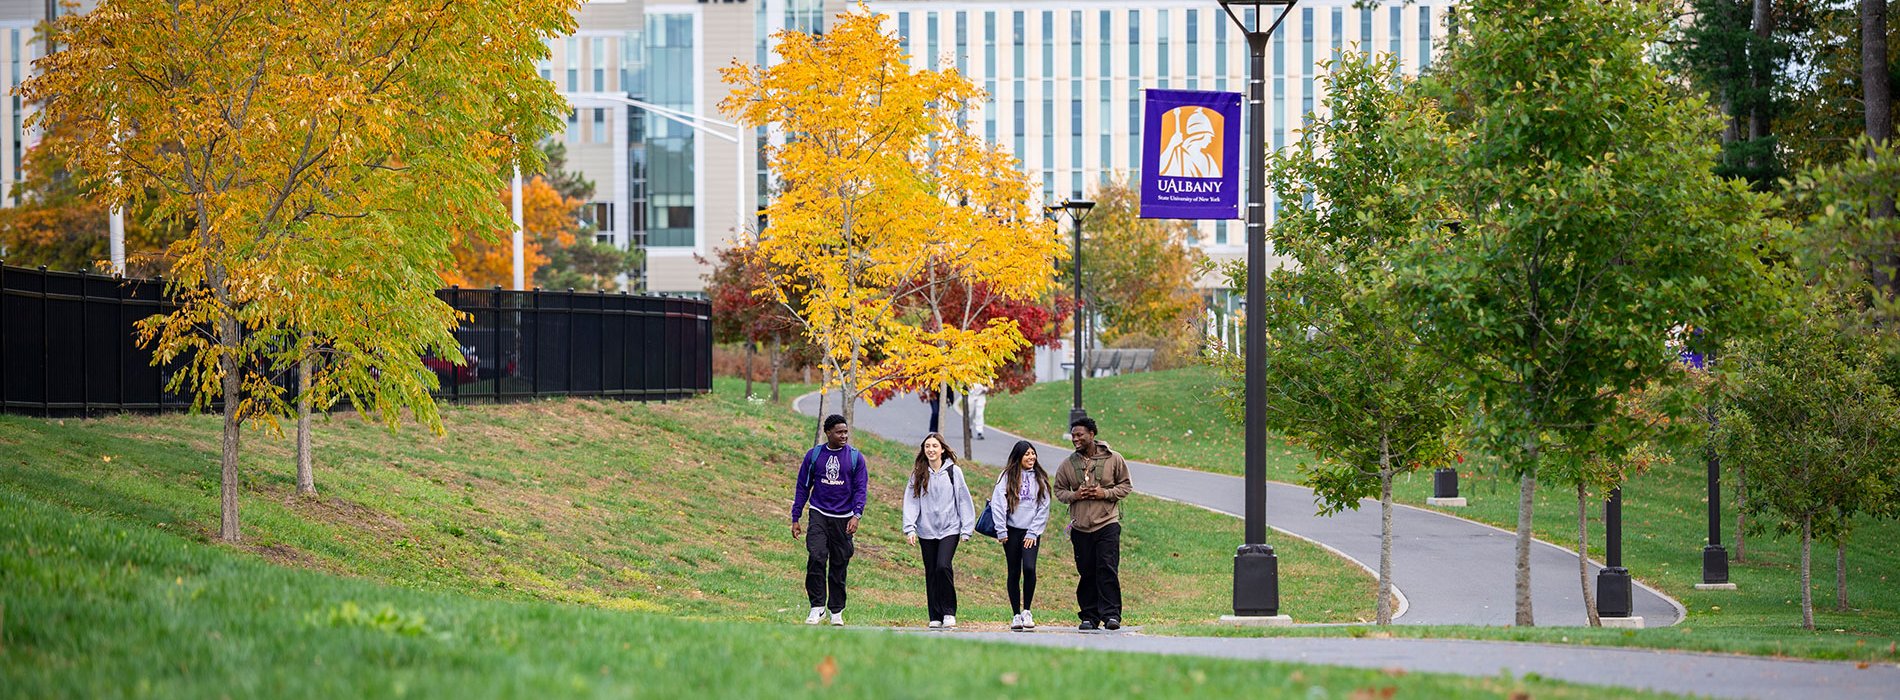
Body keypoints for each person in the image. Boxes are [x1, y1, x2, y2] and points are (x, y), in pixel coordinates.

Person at [1051, 416, 1132, 631]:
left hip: (1107, 523)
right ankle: (1089, 617)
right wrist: (1075, 495)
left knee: (1106, 568)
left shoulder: (1114, 459)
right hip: (1080, 527)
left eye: (1080, 435)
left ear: (1092, 435)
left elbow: (1125, 486)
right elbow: (1058, 490)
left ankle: (1112, 615)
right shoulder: (1068, 464)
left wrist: (1103, 493)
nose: (1076, 439)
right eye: (1073, 436)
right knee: (1087, 571)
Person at [790, 414, 868, 626]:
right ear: (828, 433)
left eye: (845, 432)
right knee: (816, 556)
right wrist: (795, 516)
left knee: (839, 564)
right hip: (819, 514)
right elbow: (802, 486)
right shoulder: (814, 455)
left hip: (844, 518)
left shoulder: (855, 457)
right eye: (839, 432)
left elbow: (861, 489)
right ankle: (817, 607)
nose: (844, 436)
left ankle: (836, 610)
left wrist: (856, 515)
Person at [902, 432, 975, 629]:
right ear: (924, 450)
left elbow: (963, 499)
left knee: (943, 566)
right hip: (926, 529)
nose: (931, 450)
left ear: (942, 449)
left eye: (935, 446)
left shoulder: (954, 472)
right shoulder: (918, 473)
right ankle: (935, 615)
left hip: (950, 528)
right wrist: (910, 528)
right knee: (931, 571)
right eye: (927, 447)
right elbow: (911, 501)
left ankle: (949, 611)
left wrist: (966, 528)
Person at [989, 440, 1051, 631]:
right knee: (1014, 571)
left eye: (1033, 453)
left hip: (1031, 531)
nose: (1031, 457)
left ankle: (1027, 610)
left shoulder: (1040, 477)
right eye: (1027, 454)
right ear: (1018, 457)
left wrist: (1033, 531)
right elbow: (998, 503)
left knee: (1030, 569)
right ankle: (1016, 614)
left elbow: (1044, 506)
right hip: (1011, 530)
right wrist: (1001, 529)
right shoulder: (1007, 476)